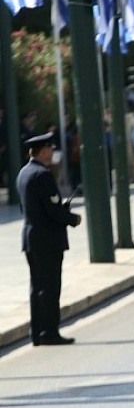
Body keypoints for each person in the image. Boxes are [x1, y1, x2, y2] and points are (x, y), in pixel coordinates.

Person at [17, 133, 82, 346]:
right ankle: (49, 332)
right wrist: (73, 218)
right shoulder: (43, 175)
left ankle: (37, 332)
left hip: (31, 238)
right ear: (44, 151)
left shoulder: (24, 173)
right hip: (47, 240)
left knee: (37, 288)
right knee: (51, 288)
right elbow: (53, 211)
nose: (52, 153)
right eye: (50, 149)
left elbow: (30, 207)